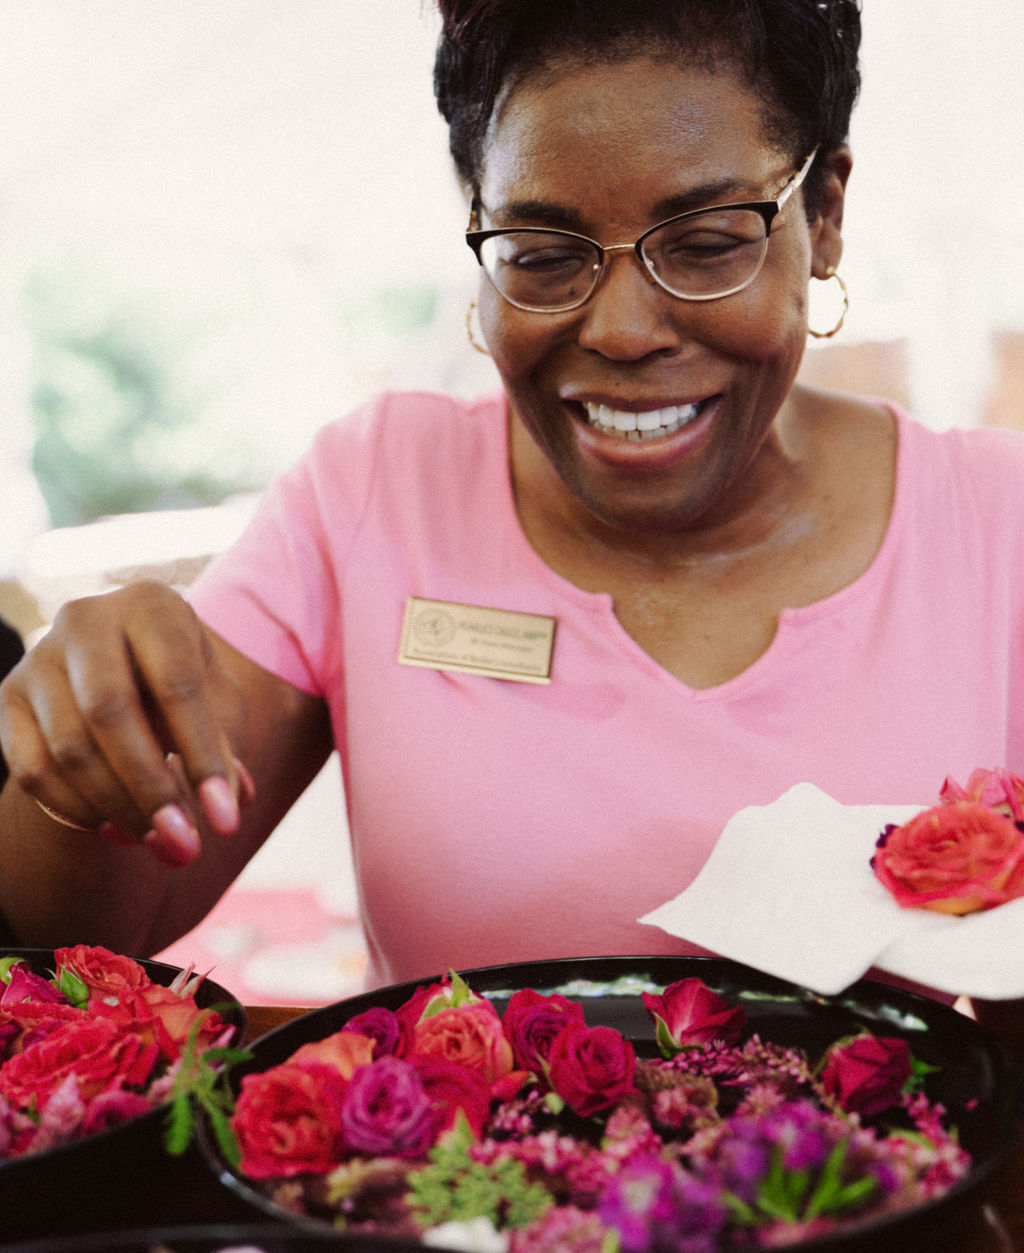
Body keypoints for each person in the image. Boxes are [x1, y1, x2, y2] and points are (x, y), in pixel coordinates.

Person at [1, 0, 1023, 998]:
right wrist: (90, 748)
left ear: (824, 217)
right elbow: (91, 936)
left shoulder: (997, 520)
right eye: (543, 256)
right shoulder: (375, 492)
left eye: (707, 243)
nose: (622, 331)